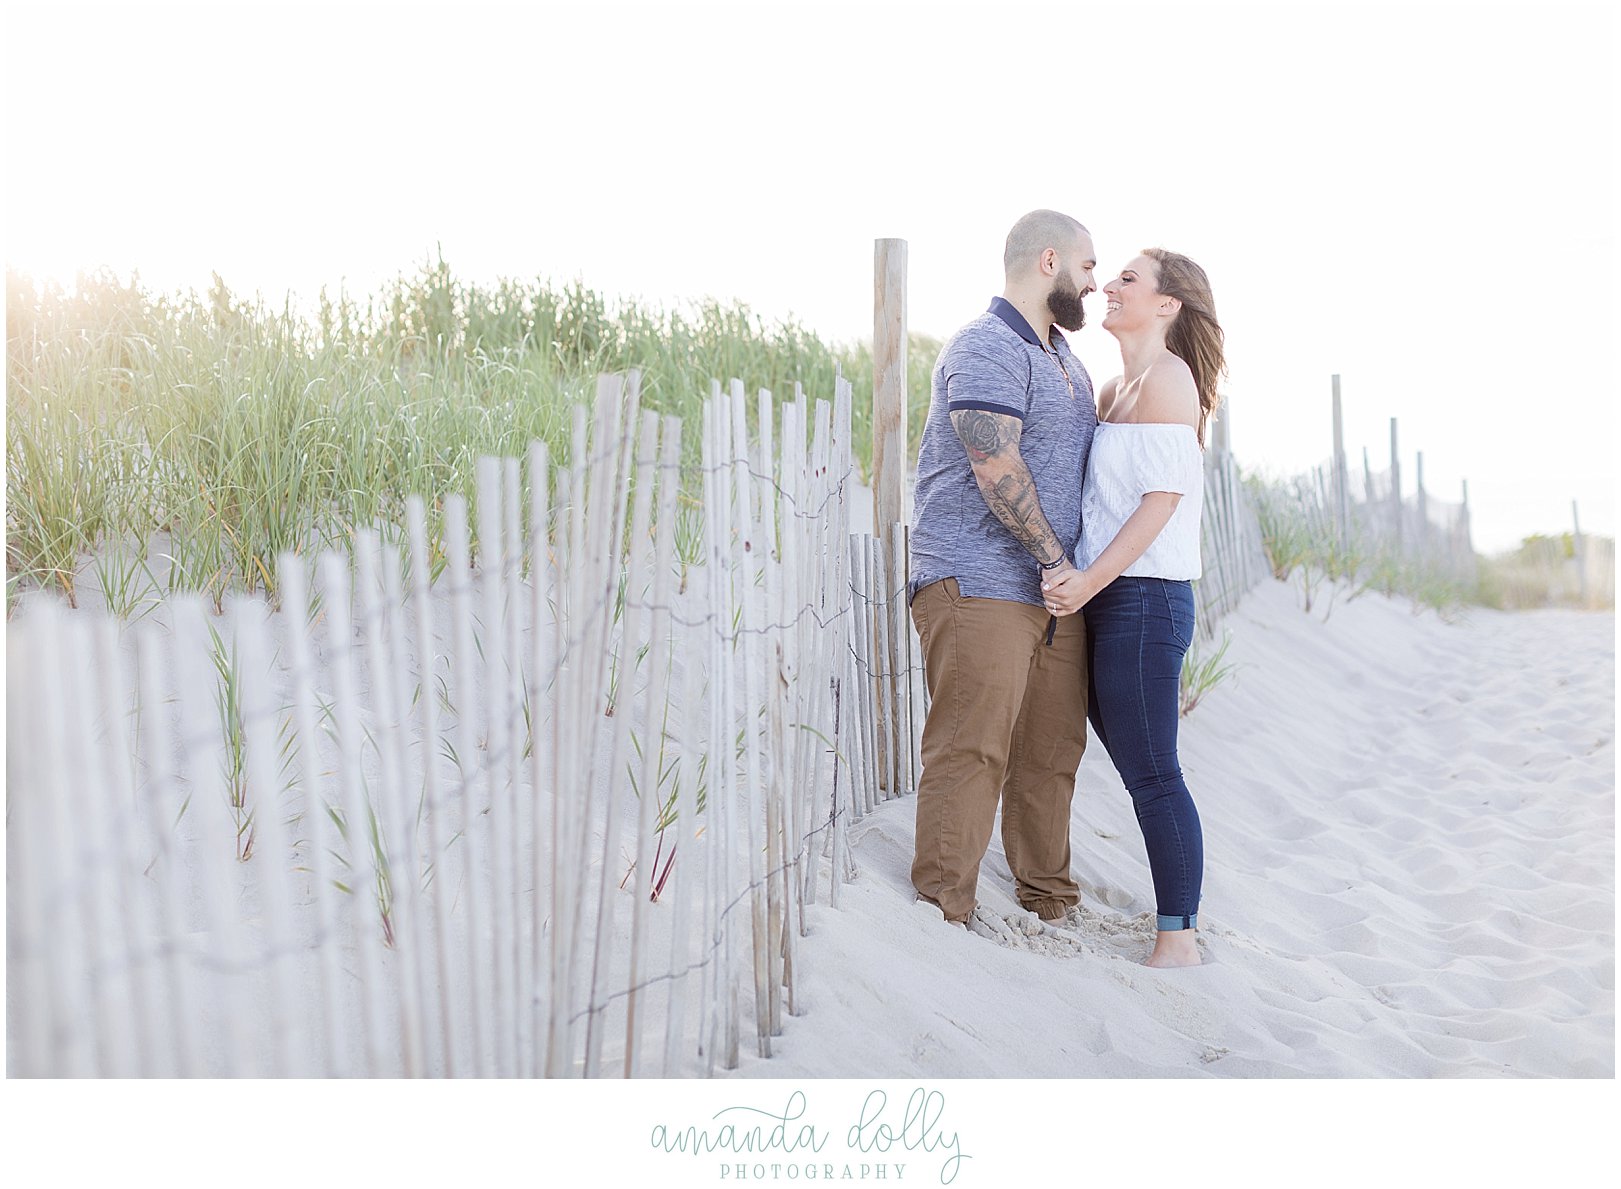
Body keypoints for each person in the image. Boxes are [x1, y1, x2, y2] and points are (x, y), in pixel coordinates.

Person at [907, 209, 1099, 928]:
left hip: (1053, 595)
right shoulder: (986, 345)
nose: (1093, 282)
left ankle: (1049, 902)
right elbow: (994, 464)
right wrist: (1054, 559)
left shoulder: (1067, 362)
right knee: (971, 747)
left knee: (1050, 755)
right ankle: (941, 910)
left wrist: (1071, 578)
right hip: (978, 578)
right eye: (1087, 266)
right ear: (1048, 261)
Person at [1041, 248, 1225, 967]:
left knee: (1152, 771)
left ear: (1167, 304)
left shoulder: (1169, 380)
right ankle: (1176, 925)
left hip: (1144, 599)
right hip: (1111, 597)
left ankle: (1177, 938)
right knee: (1136, 765)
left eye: (1127, 279)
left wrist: (1086, 583)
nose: (1110, 287)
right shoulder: (1116, 386)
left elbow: (1159, 503)